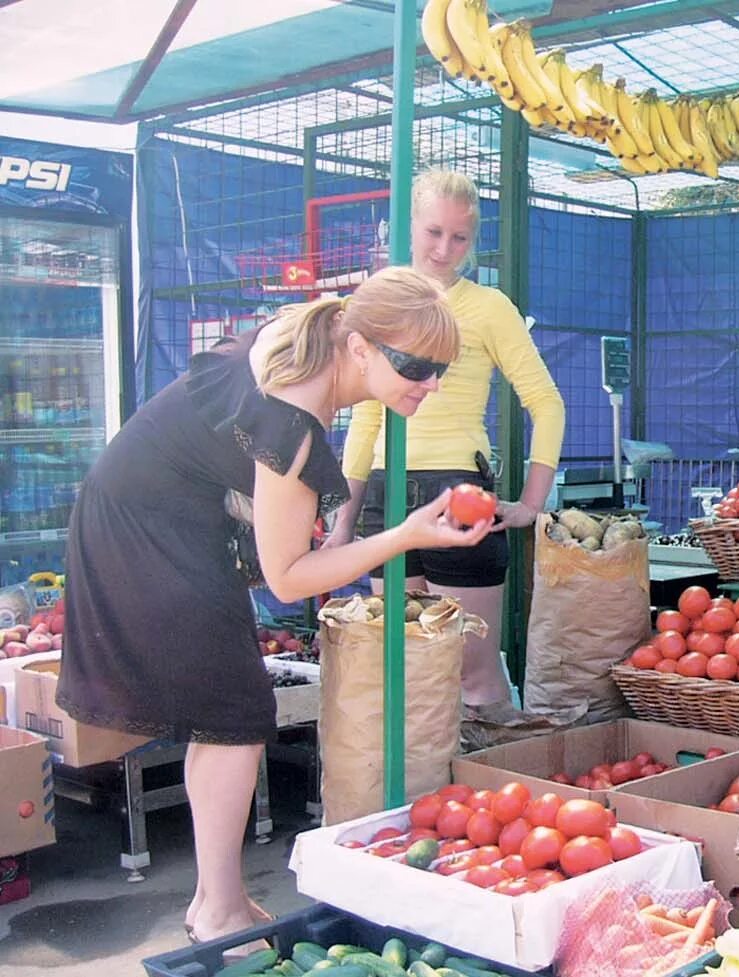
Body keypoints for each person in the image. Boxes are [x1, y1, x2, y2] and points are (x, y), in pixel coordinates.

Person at [55, 266, 492, 946]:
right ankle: (218, 907)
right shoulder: (292, 420)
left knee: (225, 710)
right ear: (359, 349)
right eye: (415, 365)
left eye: (441, 368)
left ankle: (215, 898)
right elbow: (289, 580)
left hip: (157, 516)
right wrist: (406, 534)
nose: (430, 383)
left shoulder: (306, 343)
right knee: (234, 711)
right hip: (147, 531)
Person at [325, 168, 565, 708]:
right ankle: (423, 790)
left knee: (471, 672)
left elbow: (547, 403)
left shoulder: (488, 306)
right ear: (407, 228)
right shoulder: (381, 299)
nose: (444, 248)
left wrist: (531, 502)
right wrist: (343, 524)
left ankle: (498, 785)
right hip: (385, 497)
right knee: (407, 672)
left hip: (457, 494)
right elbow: (365, 420)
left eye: (459, 237)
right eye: (434, 232)